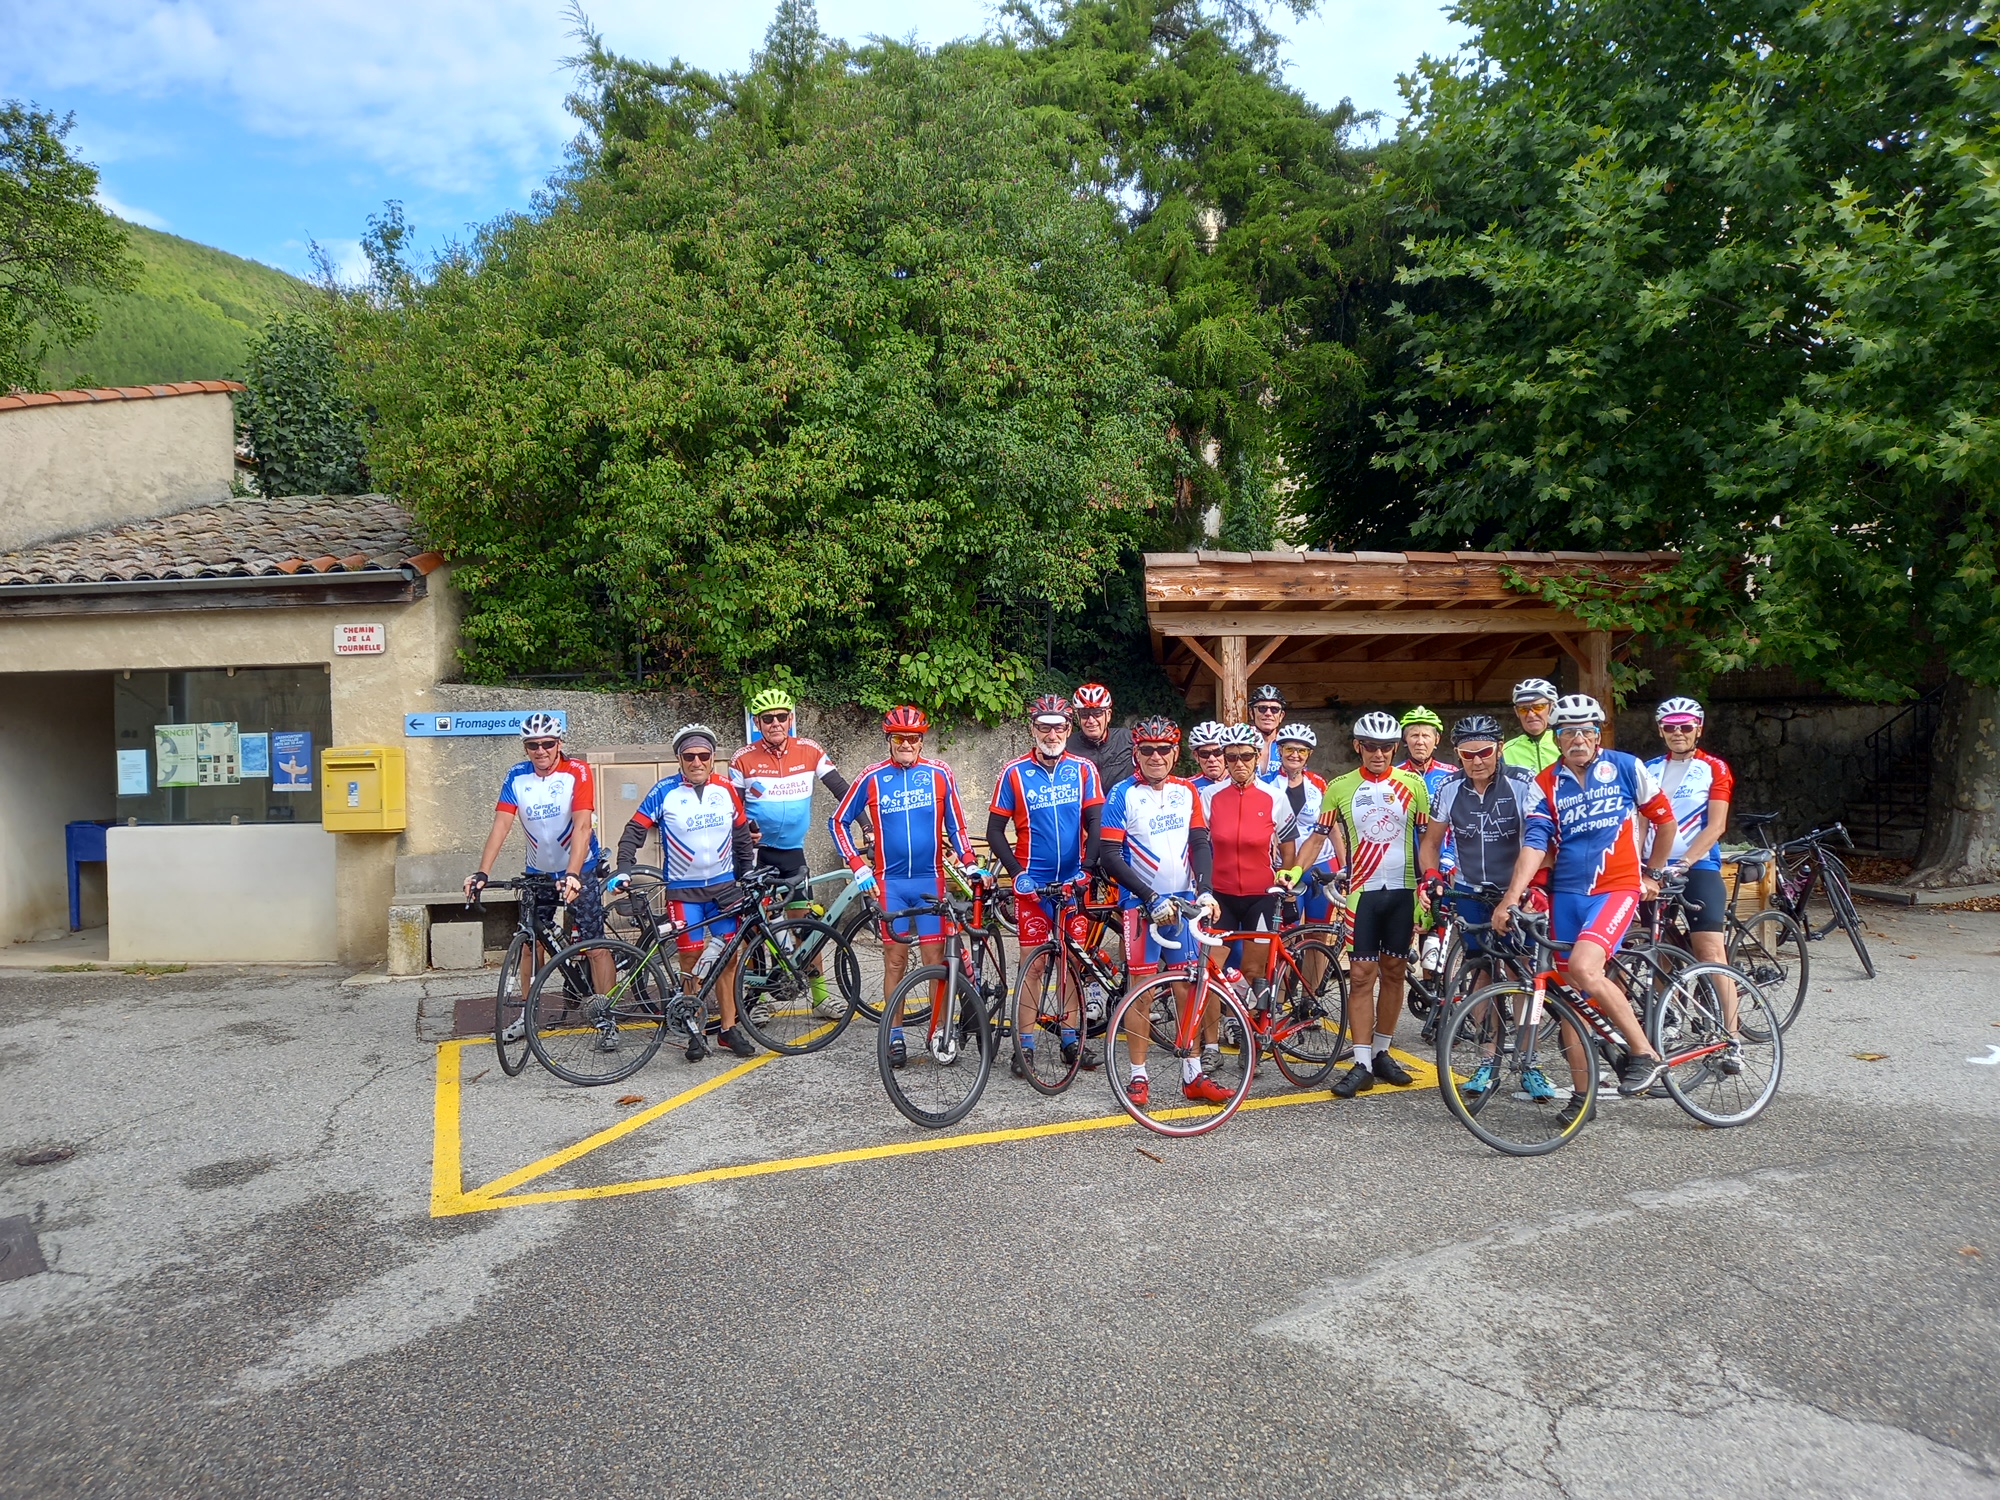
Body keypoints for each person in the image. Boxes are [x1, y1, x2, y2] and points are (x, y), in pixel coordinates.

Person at [1493, 694, 1678, 1121]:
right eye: (1567, 733)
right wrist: (1511, 897)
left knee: (1585, 968)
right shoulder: (1545, 784)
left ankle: (1644, 1054)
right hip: (1568, 894)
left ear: (1598, 734)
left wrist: (1653, 872)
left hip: (1616, 886)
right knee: (1568, 996)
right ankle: (1583, 1096)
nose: (1578, 740)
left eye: (1586, 731)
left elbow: (1664, 821)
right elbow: (1535, 844)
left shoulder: (1627, 767)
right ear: (1557, 739)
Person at [829, 706, 979, 1070]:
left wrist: (970, 861)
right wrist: (858, 866)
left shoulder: (939, 774)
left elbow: (956, 826)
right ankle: (894, 1035)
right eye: (899, 738)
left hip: (930, 881)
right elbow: (838, 822)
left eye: (912, 738)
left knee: (934, 961)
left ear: (921, 740)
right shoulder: (873, 776)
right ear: (889, 741)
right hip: (890, 883)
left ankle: (937, 1034)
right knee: (894, 961)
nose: (906, 744)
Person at [1290, 711, 1431, 1099]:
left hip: (1402, 892)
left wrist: (1426, 888)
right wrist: (1295, 871)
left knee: (1395, 971)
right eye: (1371, 746)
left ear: (1395, 748)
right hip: (1362, 893)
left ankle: (1383, 1052)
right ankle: (1363, 1061)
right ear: (1358, 747)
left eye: (1386, 747)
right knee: (1362, 975)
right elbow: (1318, 838)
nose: (1379, 754)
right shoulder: (1339, 786)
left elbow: (1428, 842)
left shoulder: (1413, 785)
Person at [1095, 716, 1224, 1104]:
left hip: (1184, 900)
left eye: (1163, 749)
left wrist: (1206, 891)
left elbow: (1200, 843)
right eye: (1147, 749)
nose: (1155, 756)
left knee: (1188, 986)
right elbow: (1109, 854)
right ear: (1136, 752)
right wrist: (1150, 897)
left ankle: (1193, 1072)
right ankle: (1138, 1075)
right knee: (1141, 990)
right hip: (1142, 904)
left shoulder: (1187, 791)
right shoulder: (1122, 794)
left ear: (1174, 752)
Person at [1415, 714, 1542, 1096]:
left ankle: (1530, 1061)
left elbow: (1539, 841)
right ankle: (1488, 1060)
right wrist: (1432, 876)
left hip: (1516, 892)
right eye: (1467, 754)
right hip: (1471, 890)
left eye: (1484, 752)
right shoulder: (1449, 787)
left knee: (1526, 976)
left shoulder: (1523, 783)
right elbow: (1431, 844)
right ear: (1457, 754)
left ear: (1499, 748)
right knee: (1481, 975)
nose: (1476, 761)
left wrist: (1530, 888)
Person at [465, 713, 613, 1036]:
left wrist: (573, 874)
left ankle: (605, 1017)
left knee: (594, 945)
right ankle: (527, 1017)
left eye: (547, 743)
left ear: (559, 744)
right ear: (526, 747)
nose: (540, 750)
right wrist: (481, 872)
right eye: (533, 744)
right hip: (539, 872)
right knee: (530, 943)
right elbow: (501, 826)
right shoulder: (517, 776)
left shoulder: (577, 772)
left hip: (580, 868)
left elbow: (583, 825)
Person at [618, 724, 759, 1062]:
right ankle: (694, 1029)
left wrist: (748, 873)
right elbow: (635, 830)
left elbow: (741, 837)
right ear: (679, 759)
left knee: (728, 959)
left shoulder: (726, 789)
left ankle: (728, 1028)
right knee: (690, 960)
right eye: (689, 756)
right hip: (684, 893)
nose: (697, 761)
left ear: (712, 759)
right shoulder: (664, 791)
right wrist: (624, 866)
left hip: (725, 890)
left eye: (704, 755)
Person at [730, 686, 850, 1016]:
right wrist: (744, 835)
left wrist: (866, 823)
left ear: (790, 719)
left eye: (781, 717)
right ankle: (759, 1001)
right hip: (758, 854)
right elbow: (735, 807)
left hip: (792, 852)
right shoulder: (742, 758)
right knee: (756, 926)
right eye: (767, 718)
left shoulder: (809, 750)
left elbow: (841, 788)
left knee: (806, 924)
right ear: (757, 722)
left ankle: (821, 997)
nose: (775, 723)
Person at [986, 695, 1106, 1010]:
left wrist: (1088, 870)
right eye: (1044, 728)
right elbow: (994, 832)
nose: (1052, 736)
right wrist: (1016, 873)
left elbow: (1096, 823)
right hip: (1032, 884)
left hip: (1073, 881)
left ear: (1069, 729)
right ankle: (1024, 1045)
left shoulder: (1084, 769)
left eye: (1059, 728)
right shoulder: (1013, 772)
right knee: (1032, 965)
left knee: (1072, 964)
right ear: (1033, 729)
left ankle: (1070, 1039)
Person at [1644, 696, 1743, 1066]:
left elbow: (1716, 825)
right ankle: (1666, 1017)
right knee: (1656, 948)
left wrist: (1686, 861)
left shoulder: (1713, 767)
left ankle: (1732, 1037)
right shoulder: (1649, 768)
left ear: (1698, 729)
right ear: (1661, 730)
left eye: (1685, 726)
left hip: (1698, 867)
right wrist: (1642, 866)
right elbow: (1640, 822)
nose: (1678, 733)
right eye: (1670, 727)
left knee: (1709, 949)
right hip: (1655, 869)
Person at [1198, 722, 1293, 992]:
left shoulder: (1274, 797)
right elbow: (1199, 844)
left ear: (1257, 756)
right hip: (1221, 897)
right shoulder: (1210, 795)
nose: (1239, 763)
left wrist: (1286, 876)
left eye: (1247, 756)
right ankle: (1212, 1036)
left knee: (1253, 971)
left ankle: (1247, 1031)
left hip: (1260, 896)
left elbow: (1288, 844)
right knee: (1210, 973)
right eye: (1232, 757)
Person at [1263, 723, 1337, 926]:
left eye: (1301, 750)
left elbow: (1332, 827)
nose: (1295, 755)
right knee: (1286, 929)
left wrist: (1345, 865)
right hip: (1281, 866)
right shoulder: (1266, 783)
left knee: (1319, 929)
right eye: (1289, 749)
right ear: (1279, 750)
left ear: (1309, 754)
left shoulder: (1319, 783)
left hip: (1320, 862)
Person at [1068, 682, 1135, 789]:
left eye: (1097, 713)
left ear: (1108, 715)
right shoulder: (1067, 746)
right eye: (1084, 714)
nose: (1091, 720)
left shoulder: (1127, 738)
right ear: (1078, 717)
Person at [1503, 678, 1562, 773]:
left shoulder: (1565, 745)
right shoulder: (1505, 751)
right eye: (1523, 709)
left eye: (1538, 707)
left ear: (1552, 708)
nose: (1531, 715)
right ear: (1516, 712)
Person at [1249, 684, 1289, 776]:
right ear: (1251, 713)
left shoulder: (1288, 745)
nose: (1268, 713)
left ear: (1281, 716)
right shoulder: (1242, 744)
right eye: (1262, 708)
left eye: (1274, 709)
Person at [1187, 720, 1229, 791]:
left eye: (1217, 752)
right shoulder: (1188, 786)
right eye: (1204, 754)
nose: (1212, 759)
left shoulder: (1241, 782)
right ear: (1196, 756)